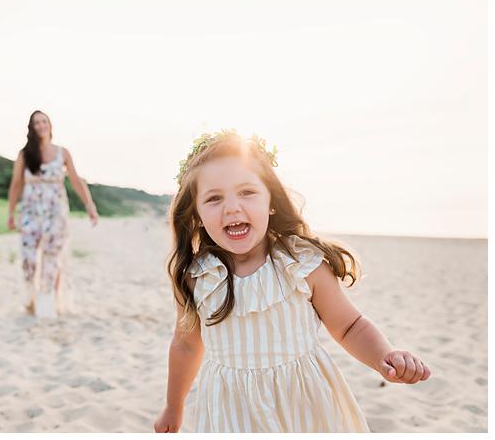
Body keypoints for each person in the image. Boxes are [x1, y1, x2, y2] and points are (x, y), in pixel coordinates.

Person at [153, 130, 431, 433]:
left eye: (247, 192)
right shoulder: (197, 277)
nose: (232, 207)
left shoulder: (301, 264)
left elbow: (349, 325)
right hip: (231, 411)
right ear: (196, 214)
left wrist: (383, 357)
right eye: (214, 198)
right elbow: (186, 346)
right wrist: (174, 406)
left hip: (305, 404)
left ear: (271, 201)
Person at [7, 110, 98, 318]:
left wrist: (90, 206)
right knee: (28, 259)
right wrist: (10, 213)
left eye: (44, 121)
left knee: (52, 259)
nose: (41, 125)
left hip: (56, 214)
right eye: (36, 122)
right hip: (30, 212)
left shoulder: (62, 153)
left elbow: (76, 180)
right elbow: (15, 185)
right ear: (31, 127)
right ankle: (30, 301)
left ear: (50, 125)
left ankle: (47, 306)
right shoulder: (25, 154)